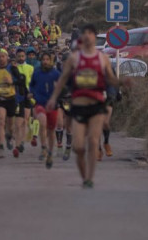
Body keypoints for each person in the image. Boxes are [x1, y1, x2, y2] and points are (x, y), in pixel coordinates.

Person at [46, 24, 124, 189]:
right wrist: (53, 98)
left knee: (94, 142)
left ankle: (90, 178)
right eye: (85, 33)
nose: (87, 36)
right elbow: (62, 80)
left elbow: (111, 78)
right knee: (78, 147)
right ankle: (84, 176)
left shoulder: (102, 58)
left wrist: (121, 84)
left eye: (90, 33)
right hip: (78, 105)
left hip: (96, 105)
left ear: (95, 37)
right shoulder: (74, 59)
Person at [30, 51, 62, 169]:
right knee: (42, 122)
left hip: (52, 105)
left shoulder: (56, 74)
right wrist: (31, 93)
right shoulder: (37, 73)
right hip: (40, 104)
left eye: (47, 59)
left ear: (51, 61)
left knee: (51, 130)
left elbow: (61, 87)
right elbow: (31, 85)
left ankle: (50, 152)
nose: (45, 61)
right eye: (43, 59)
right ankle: (43, 147)